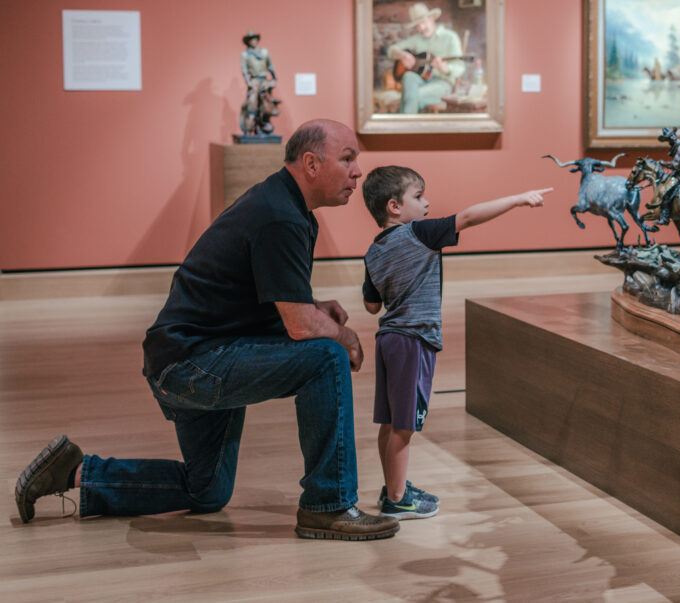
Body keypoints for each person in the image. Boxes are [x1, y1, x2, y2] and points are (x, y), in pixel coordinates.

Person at [15, 119, 400, 541]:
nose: (357, 172)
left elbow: (276, 301)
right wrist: (344, 335)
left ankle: (75, 471)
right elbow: (300, 326)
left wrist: (312, 308)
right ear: (311, 163)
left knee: (206, 490)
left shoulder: (283, 205)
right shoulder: (280, 216)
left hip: (188, 357)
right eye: (348, 159)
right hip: (193, 364)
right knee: (326, 358)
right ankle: (328, 506)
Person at [361, 166, 550, 518]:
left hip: (387, 340)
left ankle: (394, 485)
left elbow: (372, 305)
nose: (427, 203)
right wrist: (518, 199)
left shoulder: (373, 250)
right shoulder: (419, 233)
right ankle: (398, 500)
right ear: (394, 207)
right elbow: (468, 217)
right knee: (405, 426)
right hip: (413, 340)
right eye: (418, 197)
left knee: (390, 422)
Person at [387, 4, 466, 114]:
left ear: (431, 18)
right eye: (417, 26)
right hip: (421, 81)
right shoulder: (416, 39)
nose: (421, 28)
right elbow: (391, 50)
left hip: (443, 83)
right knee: (408, 76)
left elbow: (460, 67)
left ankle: (405, 127)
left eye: (423, 23)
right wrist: (402, 55)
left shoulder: (450, 37)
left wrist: (445, 68)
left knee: (411, 95)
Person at [239, 29, 280, 135]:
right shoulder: (245, 55)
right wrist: (248, 83)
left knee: (267, 103)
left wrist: (274, 77)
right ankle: (248, 128)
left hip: (264, 80)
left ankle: (264, 123)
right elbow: (244, 70)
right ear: (248, 42)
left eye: (255, 39)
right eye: (251, 40)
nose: (253, 42)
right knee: (252, 103)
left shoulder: (264, 52)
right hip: (254, 80)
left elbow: (270, 65)